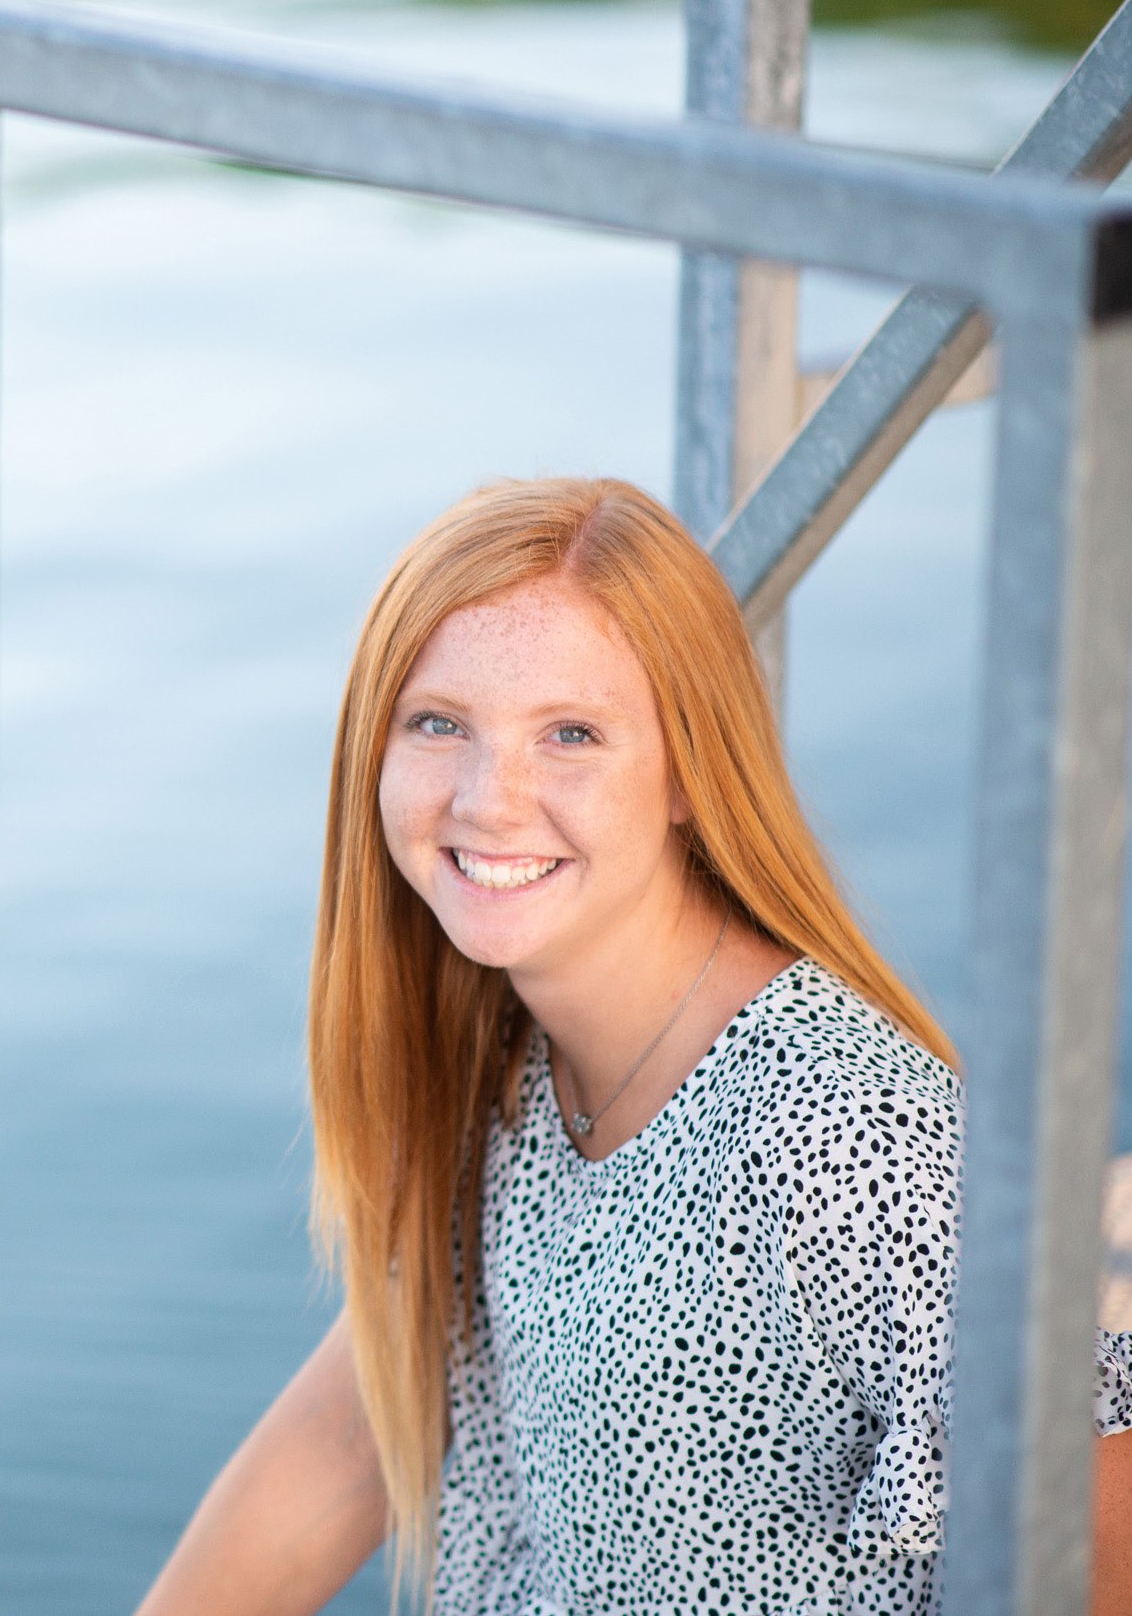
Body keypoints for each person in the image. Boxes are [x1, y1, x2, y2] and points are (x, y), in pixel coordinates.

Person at [133, 477, 1132, 1615]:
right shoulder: (507, 1047)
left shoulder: (839, 1128)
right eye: (439, 722)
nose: (488, 798)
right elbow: (356, 1425)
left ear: (689, 774)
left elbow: (1094, 1515)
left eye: (572, 734)